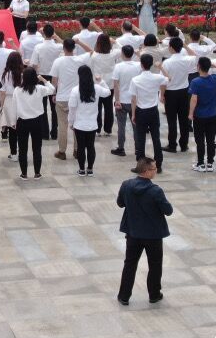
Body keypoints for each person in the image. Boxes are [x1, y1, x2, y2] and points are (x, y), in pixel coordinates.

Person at [116, 157, 173, 306]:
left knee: (130, 264)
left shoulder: (126, 185)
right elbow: (168, 211)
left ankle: (124, 296)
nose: (156, 171)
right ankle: (154, 294)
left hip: (133, 232)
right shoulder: (155, 191)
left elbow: (120, 203)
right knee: (155, 265)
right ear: (146, 171)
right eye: (154, 169)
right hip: (153, 235)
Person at [50, 38, 91, 160]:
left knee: (62, 125)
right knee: (76, 125)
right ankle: (77, 150)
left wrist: (54, 94)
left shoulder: (58, 61)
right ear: (74, 48)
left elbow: (54, 81)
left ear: (63, 48)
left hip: (62, 97)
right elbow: (92, 52)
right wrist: (80, 42)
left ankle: (62, 151)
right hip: (77, 97)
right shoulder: (80, 59)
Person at [188, 56, 216, 172]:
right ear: (209, 67)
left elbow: (194, 99)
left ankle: (200, 163)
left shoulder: (195, 82)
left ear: (198, 67)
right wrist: (214, 65)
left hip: (199, 115)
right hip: (212, 114)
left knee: (199, 140)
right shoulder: (215, 78)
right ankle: (210, 163)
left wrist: (190, 113)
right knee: (210, 139)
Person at [14, 68, 54, 180]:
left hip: (22, 122)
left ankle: (24, 174)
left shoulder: (18, 90)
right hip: (37, 121)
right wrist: (43, 79)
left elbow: (14, 106)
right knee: (37, 148)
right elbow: (52, 89)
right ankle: (37, 173)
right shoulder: (40, 89)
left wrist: (13, 121)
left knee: (22, 149)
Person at [129, 53, 168, 171]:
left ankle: (140, 166)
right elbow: (168, 79)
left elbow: (133, 99)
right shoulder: (157, 77)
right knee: (156, 138)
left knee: (141, 139)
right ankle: (159, 164)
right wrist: (161, 67)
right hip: (153, 111)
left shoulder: (135, 79)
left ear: (141, 65)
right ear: (151, 64)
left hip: (141, 111)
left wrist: (134, 114)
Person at [68, 65, 109, 176]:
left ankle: (81, 169)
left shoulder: (75, 90)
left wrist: (70, 122)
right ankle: (90, 169)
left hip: (79, 124)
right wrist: (101, 81)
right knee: (91, 146)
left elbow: (72, 108)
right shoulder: (97, 88)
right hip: (92, 124)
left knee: (81, 147)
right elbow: (108, 92)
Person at [160, 38, 197, 153]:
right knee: (184, 120)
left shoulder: (167, 63)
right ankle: (184, 144)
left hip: (171, 93)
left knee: (171, 120)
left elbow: (163, 81)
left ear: (171, 47)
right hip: (184, 92)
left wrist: (162, 95)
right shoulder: (187, 60)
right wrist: (185, 46)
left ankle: (172, 144)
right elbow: (195, 55)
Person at [30, 24, 63, 138]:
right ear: (53, 33)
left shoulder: (38, 47)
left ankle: (44, 132)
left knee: (42, 105)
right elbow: (66, 45)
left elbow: (34, 64)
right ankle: (54, 132)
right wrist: (56, 37)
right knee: (54, 106)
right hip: (55, 77)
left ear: (43, 34)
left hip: (41, 77)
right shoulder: (58, 46)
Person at [111, 45, 141, 157]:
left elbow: (116, 85)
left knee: (121, 126)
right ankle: (138, 149)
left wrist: (117, 100)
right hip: (135, 100)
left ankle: (121, 148)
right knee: (136, 126)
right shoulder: (138, 65)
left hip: (122, 100)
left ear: (122, 54)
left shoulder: (118, 67)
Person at [89, 33, 119, 136]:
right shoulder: (113, 54)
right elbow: (123, 48)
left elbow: (91, 69)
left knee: (97, 107)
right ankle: (108, 129)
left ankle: (97, 129)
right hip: (109, 84)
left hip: (97, 83)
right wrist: (115, 41)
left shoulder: (94, 56)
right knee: (109, 106)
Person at [0, 52, 24, 160]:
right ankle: (21, 152)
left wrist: (1, 106)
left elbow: (2, 92)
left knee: (11, 129)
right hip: (21, 101)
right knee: (21, 128)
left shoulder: (6, 74)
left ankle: (13, 153)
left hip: (9, 102)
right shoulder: (23, 73)